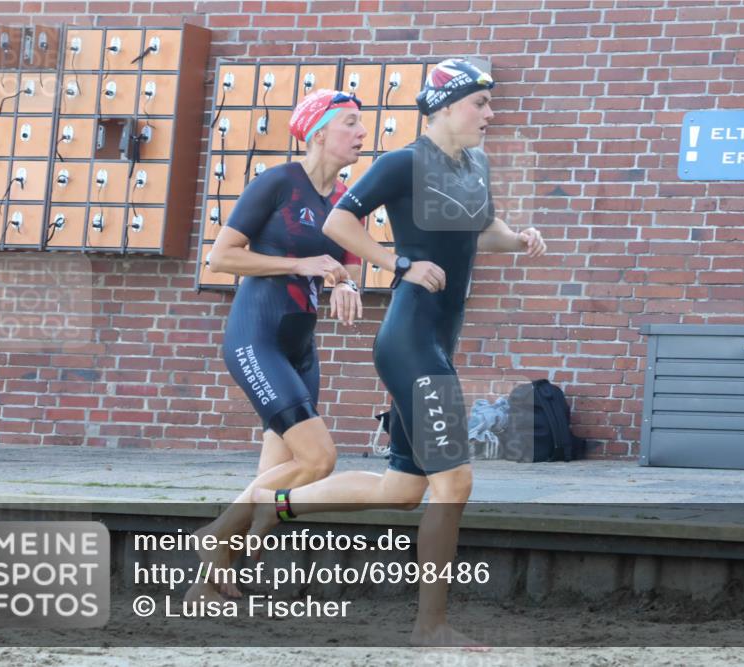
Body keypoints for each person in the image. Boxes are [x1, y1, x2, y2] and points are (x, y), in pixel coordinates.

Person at [248, 59, 547, 646]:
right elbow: (339, 222)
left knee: (404, 490)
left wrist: (518, 239)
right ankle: (429, 627)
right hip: (411, 342)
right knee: (454, 484)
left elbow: (479, 229)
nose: (491, 114)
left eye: (490, 104)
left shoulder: (472, 165)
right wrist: (400, 264)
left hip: (438, 338)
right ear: (443, 108)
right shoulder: (403, 162)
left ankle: (275, 504)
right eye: (480, 104)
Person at [185, 90, 367, 603]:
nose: (360, 133)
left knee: (275, 478)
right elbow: (222, 257)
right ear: (317, 132)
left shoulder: (344, 201)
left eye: (360, 123)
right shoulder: (279, 183)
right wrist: (299, 265)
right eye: (350, 123)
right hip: (257, 339)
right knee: (319, 460)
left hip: (300, 349)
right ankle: (215, 536)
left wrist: (346, 284)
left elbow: (347, 261)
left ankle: (207, 584)